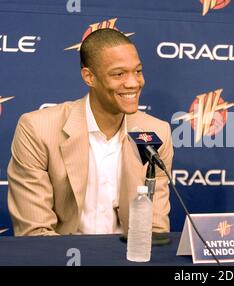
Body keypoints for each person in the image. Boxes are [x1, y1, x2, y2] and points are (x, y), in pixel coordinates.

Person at [7, 28, 173, 236]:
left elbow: (154, 229)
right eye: (119, 74)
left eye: (137, 71)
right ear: (89, 77)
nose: (133, 83)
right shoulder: (37, 129)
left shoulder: (156, 133)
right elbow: (35, 232)